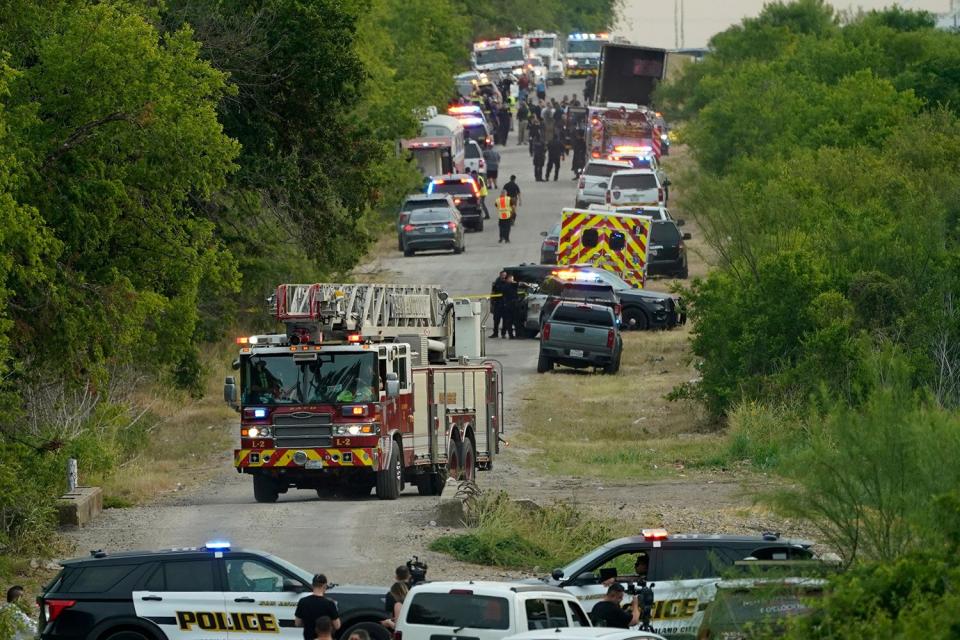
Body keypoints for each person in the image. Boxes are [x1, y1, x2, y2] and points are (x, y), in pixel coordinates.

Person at [296, 575, 340, 640]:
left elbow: (297, 623)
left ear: (312, 585)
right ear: (325, 586)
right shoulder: (330, 603)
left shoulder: (303, 601)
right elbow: (337, 626)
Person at [490, 271, 509, 336]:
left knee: (505, 321)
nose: (504, 276)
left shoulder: (508, 283)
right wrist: (492, 304)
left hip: (505, 304)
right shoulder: (496, 283)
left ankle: (503, 333)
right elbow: (492, 293)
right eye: (503, 275)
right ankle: (495, 333)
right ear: (500, 275)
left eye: (505, 275)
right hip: (497, 304)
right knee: (496, 320)